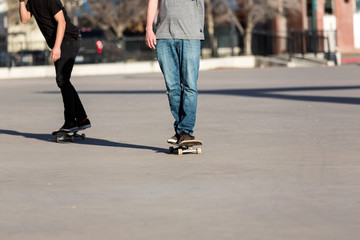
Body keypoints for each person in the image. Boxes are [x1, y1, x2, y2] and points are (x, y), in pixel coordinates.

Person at [19, 0, 91, 133]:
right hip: (62, 42)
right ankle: (81, 119)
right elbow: (24, 19)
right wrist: (21, 2)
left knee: (62, 79)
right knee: (64, 81)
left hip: (69, 38)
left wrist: (57, 47)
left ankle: (70, 122)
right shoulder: (32, 2)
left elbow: (62, 22)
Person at [145, 0, 204, 144]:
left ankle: (186, 131)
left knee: (190, 85)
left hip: (190, 35)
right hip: (164, 36)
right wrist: (148, 28)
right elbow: (153, 2)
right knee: (173, 88)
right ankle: (181, 131)